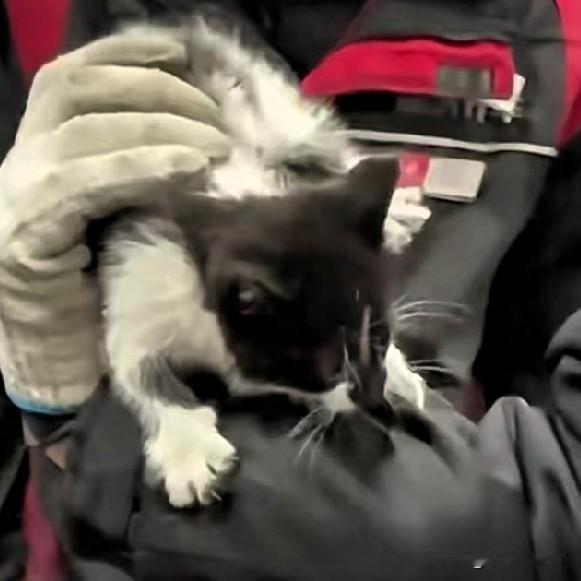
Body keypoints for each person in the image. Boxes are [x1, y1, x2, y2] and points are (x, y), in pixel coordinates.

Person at [1, 0, 581, 578]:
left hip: (397, 523)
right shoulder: (95, 18)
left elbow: (559, 489)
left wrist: (84, 438)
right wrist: (44, 391)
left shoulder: (550, 39)